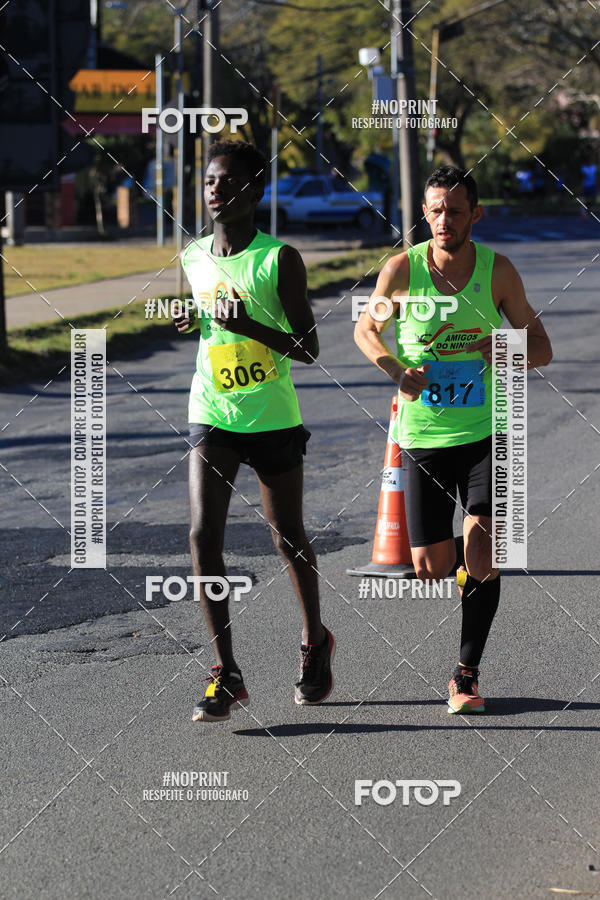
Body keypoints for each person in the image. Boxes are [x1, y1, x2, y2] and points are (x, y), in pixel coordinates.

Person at [354, 165, 552, 714]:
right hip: (422, 436)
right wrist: (394, 368)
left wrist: (508, 348)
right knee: (432, 567)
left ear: (476, 214)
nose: (446, 220)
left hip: (486, 432)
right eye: (436, 210)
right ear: (425, 214)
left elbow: (542, 347)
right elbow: (365, 328)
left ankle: (465, 675)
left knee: (484, 542)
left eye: (457, 211)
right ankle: (465, 568)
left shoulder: (499, 273)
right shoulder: (401, 270)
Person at [174, 140, 334, 722]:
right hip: (211, 410)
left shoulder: (279, 259)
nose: (216, 191)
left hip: (271, 416)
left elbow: (309, 348)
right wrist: (185, 318)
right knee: (201, 535)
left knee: (286, 533)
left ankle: (314, 642)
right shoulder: (192, 256)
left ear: (255, 193)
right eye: (210, 182)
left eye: (229, 183)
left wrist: (251, 324)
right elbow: (202, 325)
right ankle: (227, 672)